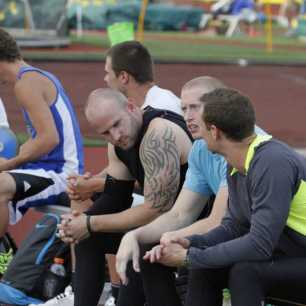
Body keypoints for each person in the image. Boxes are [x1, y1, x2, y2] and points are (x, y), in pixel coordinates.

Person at [116, 77, 266, 306]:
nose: (187, 116)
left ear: (219, 106)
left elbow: (219, 221)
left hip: (273, 240)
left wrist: (176, 238)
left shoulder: (239, 143)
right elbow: (180, 214)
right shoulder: (201, 148)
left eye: (195, 107)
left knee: (197, 263)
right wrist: (134, 235)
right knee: (147, 248)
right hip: (239, 232)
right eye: (183, 108)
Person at [150, 88, 306, 306]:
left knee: (247, 272)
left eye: (202, 125)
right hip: (292, 254)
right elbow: (234, 227)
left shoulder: (272, 162)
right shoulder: (236, 164)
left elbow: (260, 244)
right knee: (205, 267)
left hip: (296, 256)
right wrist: (192, 243)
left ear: (214, 131)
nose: (197, 131)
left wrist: (189, 257)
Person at [64, 40, 182, 306]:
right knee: (87, 238)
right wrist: (78, 225)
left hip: (193, 217)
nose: (115, 135)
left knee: (137, 243)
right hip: (163, 220)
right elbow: (115, 198)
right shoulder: (117, 143)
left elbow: (155, 209)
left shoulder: (158, 132)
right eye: (106, 132)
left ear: (130, 107)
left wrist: (90, 222)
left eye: (117, 125)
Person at [0, 28, 84, 237]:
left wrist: (11, 163)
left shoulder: (26, 84)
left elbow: (49, 139)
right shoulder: (35, 77)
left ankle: (2, 254)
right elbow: (40, 139)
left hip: (63, 173)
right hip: (49, 168)